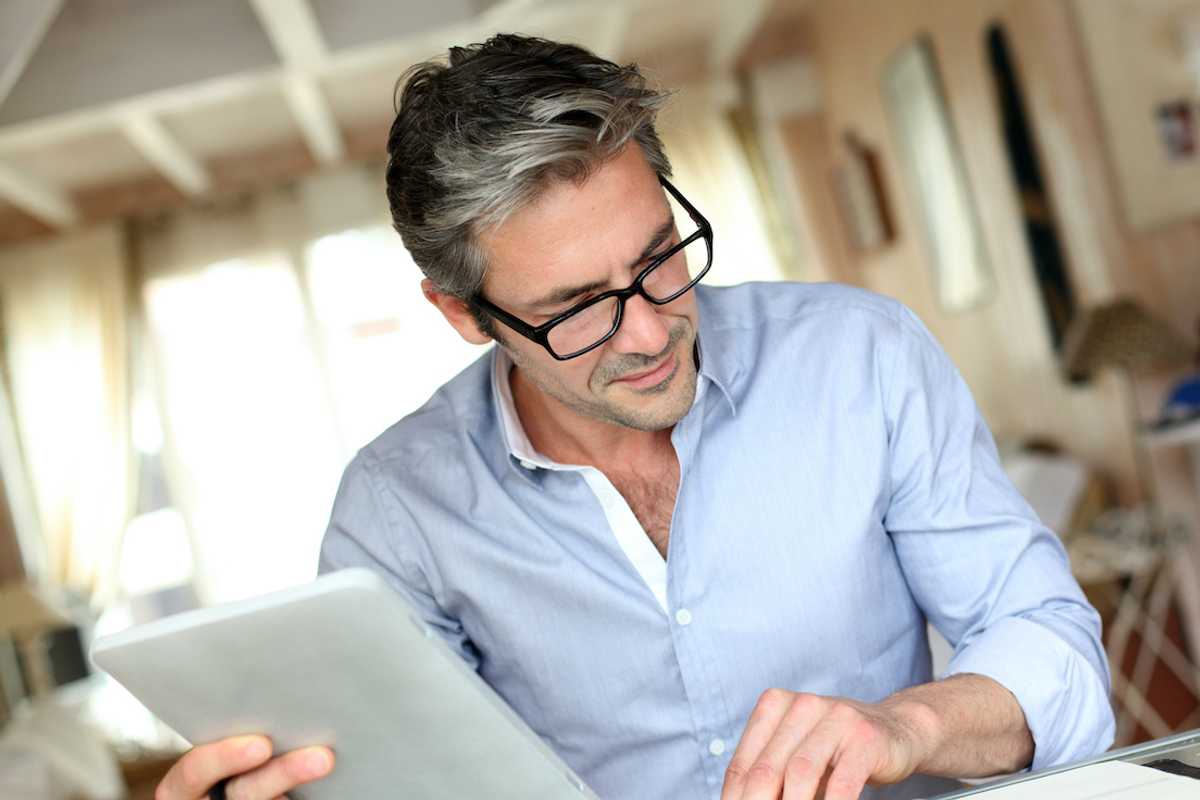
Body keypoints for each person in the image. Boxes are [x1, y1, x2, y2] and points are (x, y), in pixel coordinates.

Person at [154, 34, 1114, 800]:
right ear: (464, 315)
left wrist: (907, 727)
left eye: (659, 256)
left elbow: (1046, 638)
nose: (653, 332)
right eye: (575, 308)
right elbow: (405, 780)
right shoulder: (398, 510)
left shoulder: (861, 357)